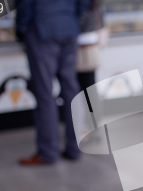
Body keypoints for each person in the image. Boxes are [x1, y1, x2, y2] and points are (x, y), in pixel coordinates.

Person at [16, 0, 90, 165]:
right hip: (69, 27)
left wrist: (21, 28)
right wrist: (70, 17)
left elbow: (24, 5)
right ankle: (74, 148)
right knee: (71, 89)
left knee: (44, 93)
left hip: (42, 29)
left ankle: (48, 152)